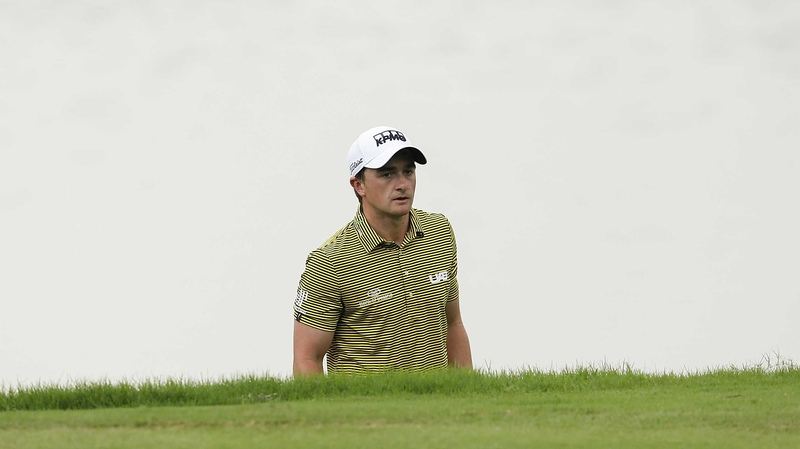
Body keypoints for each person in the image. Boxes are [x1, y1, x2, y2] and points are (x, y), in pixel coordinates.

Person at [292, 125, 472, 376]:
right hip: (365, 411)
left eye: (408, 172)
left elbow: (453, 323)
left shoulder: (439, 232)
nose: (402, 184)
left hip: (438, 409)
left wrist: (466, 396)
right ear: (359, 185)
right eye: (387, 175)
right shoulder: (329, 261)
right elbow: (307, 359)